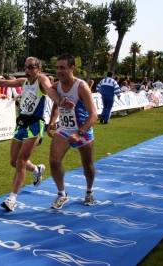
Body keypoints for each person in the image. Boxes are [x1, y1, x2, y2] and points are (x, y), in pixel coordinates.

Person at [0, 56, 74, 212]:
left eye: (31, 67)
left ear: (38, 69)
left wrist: (61, 102)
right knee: (14, 161)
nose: (27, 70)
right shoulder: (24, 82)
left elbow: (49, 90)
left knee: (21, 160)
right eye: (26, 67)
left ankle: (12, 199)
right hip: (21, 123)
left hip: (35, 125)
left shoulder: (41, 80)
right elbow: (3, 83)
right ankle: (37, 170)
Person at [46, 53, 98, 210]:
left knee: (87, 166)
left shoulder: (81, 86)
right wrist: (52, 122)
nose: (59, 71)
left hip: (82, 130)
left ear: (72, 68)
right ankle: (62, 194)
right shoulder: (57, 86)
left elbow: (94, 115)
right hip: (64, 129)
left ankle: (89, 190)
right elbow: (56, 104)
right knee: (54, 160)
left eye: (62, 68)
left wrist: (80, 133)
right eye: (57, 68)